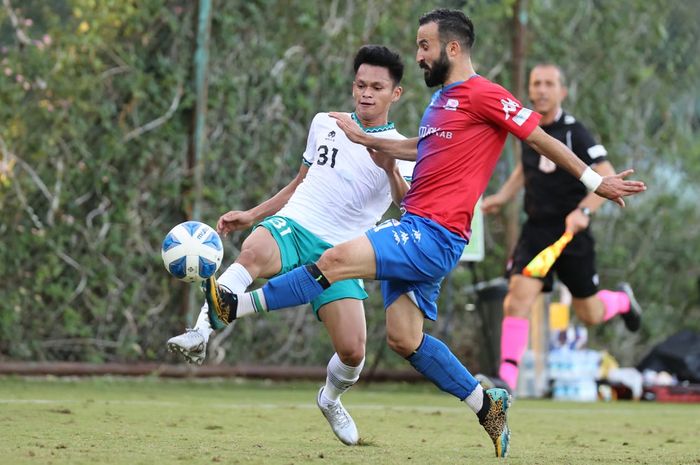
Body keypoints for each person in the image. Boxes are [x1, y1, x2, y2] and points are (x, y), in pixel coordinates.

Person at [202, 9, 646, 458]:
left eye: (424, 45)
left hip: (433, 234)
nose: (418, 55)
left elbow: (538, 137)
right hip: (417, 226)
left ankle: (235, 305)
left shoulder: (484, 94)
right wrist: (367, 140)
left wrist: (595, 181)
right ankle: (484, 402)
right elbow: (420, 147)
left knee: (333, 261)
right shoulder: (443, 100)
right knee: (404, 339)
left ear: (452, 48)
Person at [167, 44, 414, 446]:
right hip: (295, 223)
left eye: (377, 87)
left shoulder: (403, 150)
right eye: (360, 85)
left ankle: (330, 399)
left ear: (395, 94)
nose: (366, 93)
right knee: (253, 253)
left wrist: (389, 168)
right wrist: (252, 215)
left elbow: (406, 206)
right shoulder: (325, 123)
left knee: (353, 352)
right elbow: (300, 181)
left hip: (343, 252)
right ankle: (200, 333)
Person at [477, 63, 643, 393]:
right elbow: (526, 170)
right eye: (536, 83)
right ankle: (505, 383)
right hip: (537, 233)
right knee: (517, 299)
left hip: (572, 235)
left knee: (591, 313)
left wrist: (583, 210)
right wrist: (502, 198)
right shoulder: (527, 125)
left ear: (562, 91)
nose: (541, 90)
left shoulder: (574, 132)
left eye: (549, 84)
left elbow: (606, 172)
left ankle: (622, 300)